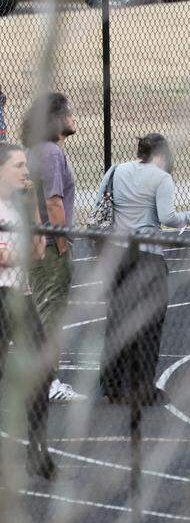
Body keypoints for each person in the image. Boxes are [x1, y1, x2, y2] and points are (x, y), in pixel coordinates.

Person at [96, 134, 190, 405]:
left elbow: (99, 207)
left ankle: (112, 385)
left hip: (118, 254)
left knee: (117, 319)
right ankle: (142, 387)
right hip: (147, 255)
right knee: (149, 323)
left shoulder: (115, 171)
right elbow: (167, 217)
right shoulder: (161, 177)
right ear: (161, 154)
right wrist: (187, 217)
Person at [21, 93, 84, 403]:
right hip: (48, 246)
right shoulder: (50, 153)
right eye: (68, 113)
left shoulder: (39, 151)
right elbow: (53, 201)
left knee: (44, 309)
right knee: (52, 311)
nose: (74, 118)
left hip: (39, 244)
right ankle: (48, 381)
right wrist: (60, 243)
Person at [0, 143, 55, 479]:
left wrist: (33, 206)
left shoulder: (15, 207)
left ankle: (38, 449)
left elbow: (38, 251)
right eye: (18, 165)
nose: (25, 171)